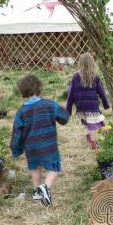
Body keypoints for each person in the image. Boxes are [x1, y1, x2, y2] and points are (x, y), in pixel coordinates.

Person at [10, 74, 69, 207]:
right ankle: (45, 188)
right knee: (54, 167)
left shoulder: (21, 111)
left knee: (34, 167)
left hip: (30, 147)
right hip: (47, 145)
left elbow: (17, 133)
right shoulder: (49, 104)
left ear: (23, 92)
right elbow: (64, 117)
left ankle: (37, 192)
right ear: (39, 88)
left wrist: (16, 149)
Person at [66, 53, 110, 150]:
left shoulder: (76, 77)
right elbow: (102, 92)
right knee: (98, 122)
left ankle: (89, 136)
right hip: (92, 105)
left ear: (80, 64)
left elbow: (70, 94)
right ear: (92, 63)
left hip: (81, 106)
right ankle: (94, 140)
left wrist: (68, 110)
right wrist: (106, 104)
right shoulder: (95, 77)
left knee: (87, 121)